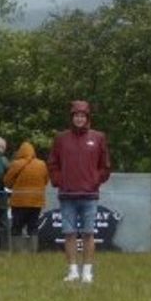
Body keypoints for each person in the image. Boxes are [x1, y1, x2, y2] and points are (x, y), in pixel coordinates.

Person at [49, 100, 111, 284]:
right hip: (67, 195)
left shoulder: (98, 137)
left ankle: (87, 272)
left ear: (87, 118)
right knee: (69, 233)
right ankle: (72, 271)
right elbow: (52, 163)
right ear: (72, 117)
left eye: (82, 116)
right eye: (76, 115)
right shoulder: (61, 138)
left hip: (89, 195)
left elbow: (105, 166)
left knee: (88, 233)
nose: (79, 119)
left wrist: (95, 180)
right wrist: (60, 181)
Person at [4, 141, 50, 252]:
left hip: (19, 201)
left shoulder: (16, 164)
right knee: (33, 227)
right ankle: (32, 251)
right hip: (36, 201)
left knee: (17, 227)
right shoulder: (42, 164)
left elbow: (7, 181)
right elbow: (46, 180)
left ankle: (17, 251)